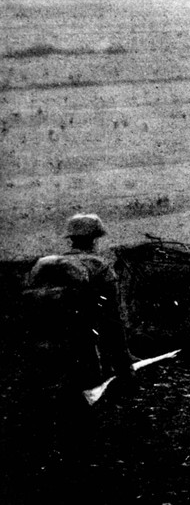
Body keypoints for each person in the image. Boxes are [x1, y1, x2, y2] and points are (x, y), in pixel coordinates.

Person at [6, 213, 136, 499]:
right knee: (82, 403)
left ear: (71, 238)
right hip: (80, 347)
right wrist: (124, 363)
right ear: (96, 238)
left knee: (43, 406)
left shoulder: (43, 267)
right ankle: (77, 472)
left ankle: (40, 467)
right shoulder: (100, 268)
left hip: (41, 348)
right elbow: (113, 322)